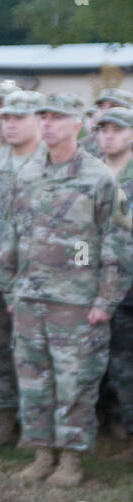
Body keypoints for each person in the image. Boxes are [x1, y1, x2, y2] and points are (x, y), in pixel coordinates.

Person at [0, 94, 133, 486]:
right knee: (34, 380)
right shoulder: (27, 174)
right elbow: (11, 236)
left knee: (76, 383)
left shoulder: (98, 178)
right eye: (44, 118)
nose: (48, 125)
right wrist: (10, 291)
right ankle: (42, 453)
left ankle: (71, 460)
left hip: (77, 301)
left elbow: (117, 243)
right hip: (30, 297)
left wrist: (106, 300)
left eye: (57, 118)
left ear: (77, 125)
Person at [0, 90, 46, 447]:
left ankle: (39, 431)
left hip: (38, 279)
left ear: (39, 120)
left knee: (37, 356)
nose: (10, 125)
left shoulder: (55, 165)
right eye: (6, 119)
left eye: (19, 118)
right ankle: (5, 420)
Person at [97, 108, 133, 456]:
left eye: (117, 129)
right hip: (94, 281)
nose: (108, 136)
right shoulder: (91, 172)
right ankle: (107, 423)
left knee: (126, 361)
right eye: (104, 129)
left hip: (129, 282)